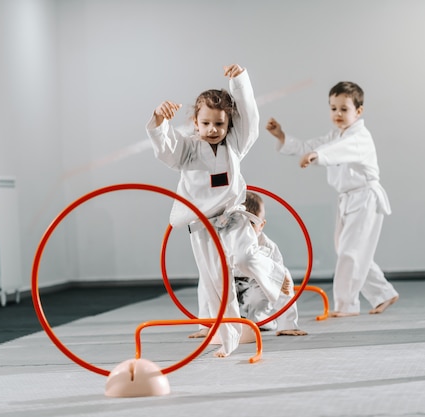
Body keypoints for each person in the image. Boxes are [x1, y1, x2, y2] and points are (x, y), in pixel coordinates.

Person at [147, 64, 286, 357]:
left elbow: (250, 118)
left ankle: (275, 273)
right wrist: (160, 120)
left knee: (248, 257)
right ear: (195, 123)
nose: (213, 130)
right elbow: (165, 148)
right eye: (206, 123)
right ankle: (229, 340)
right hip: (202, 227)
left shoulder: (235, 146)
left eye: (220, 124)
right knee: (216, 284)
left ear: (229, 125)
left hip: (233, 218)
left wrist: (239, 81)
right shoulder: (186, 150)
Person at [266, 81, 399, 318]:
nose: (337, 113)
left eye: (344, 109)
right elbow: (310, 146)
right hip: (348, 199)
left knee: (351, 252)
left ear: (358, 111)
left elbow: (338, 150)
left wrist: (318, 155)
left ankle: (346, 304)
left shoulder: (359, 137)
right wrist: (282, 136)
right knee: (350, 250)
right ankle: (383, 293)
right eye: (333, 108)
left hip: (365, 198)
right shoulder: (336, 135)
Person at [235, 191, 307, 336]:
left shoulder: (268, 247)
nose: (246, 233)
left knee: (278, 279)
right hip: (229, 285)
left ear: (262, 225)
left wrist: (287, 324)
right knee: (211, 284)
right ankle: (215, 323)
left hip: (255, 285)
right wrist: (204, 325)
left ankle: (264, 320)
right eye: (241, 226)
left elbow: (281, 283)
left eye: (251, 225)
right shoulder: (224, 243)